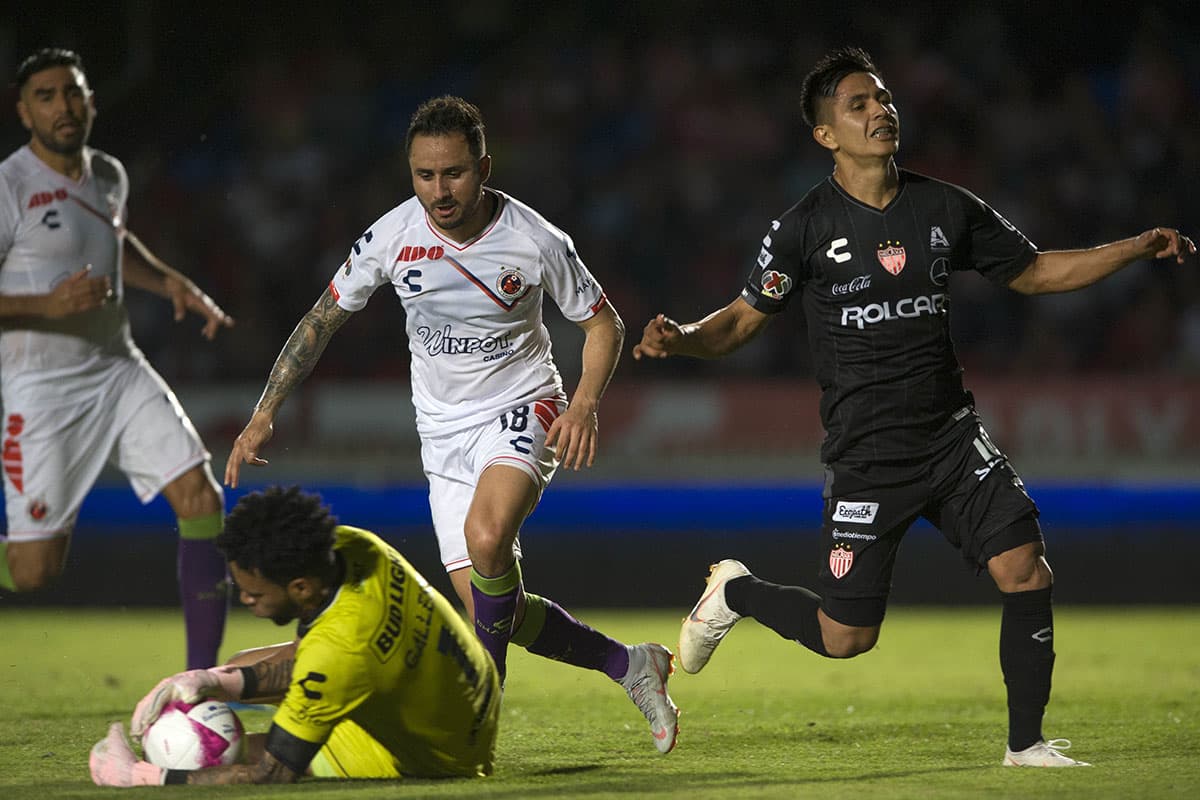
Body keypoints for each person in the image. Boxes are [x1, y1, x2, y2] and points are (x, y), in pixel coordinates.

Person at [634, 46, 1195, 768]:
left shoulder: (944, 207)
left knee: (1025, 568)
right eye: (859, 105)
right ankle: (738, 593)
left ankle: (1026, 745)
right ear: (825, 135)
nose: (880, 111)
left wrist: (1135, 247)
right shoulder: (803, 227)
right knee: (846, 638)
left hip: (952, 438)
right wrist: (682, 339)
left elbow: (1035, 272)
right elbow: (742, 321)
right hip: (868, 456)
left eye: (884, 99)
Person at [224, 96, 678, 752]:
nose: (440, 191)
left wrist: (581, 405)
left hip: (525, 404)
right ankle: (630, 665)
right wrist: (264, 413)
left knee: (488, 537)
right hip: (441, 436)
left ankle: (482, 708)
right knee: (498, 609)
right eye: (425, 175)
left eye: (455, 174)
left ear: (484, 167)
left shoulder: (534, 240)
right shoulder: (391, 236)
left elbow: (602, 321)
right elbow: (321, 320)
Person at [0, 48, 235, 669]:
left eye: (72, 92)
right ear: (24, 113)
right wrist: (45, 307)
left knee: (201, 498)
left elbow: (109, 238)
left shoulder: (108, 174)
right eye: (45, 96)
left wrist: (169, 282)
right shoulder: (9, 186)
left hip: (117, 366)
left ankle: (201, 685)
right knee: (31, 573)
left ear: (91, 102)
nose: (63, 106)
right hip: (41, 389)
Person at [88, 485, 500, 786]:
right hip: (470, 691)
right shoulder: (355, 547)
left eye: (254, 592)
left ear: (301, 587)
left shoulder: (340, 656)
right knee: (236, 668)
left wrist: (146, 776)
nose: (245, 599)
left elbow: (271, 773)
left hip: (443, 754)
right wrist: (205, 680)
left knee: (229, 751)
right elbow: (315, 652)